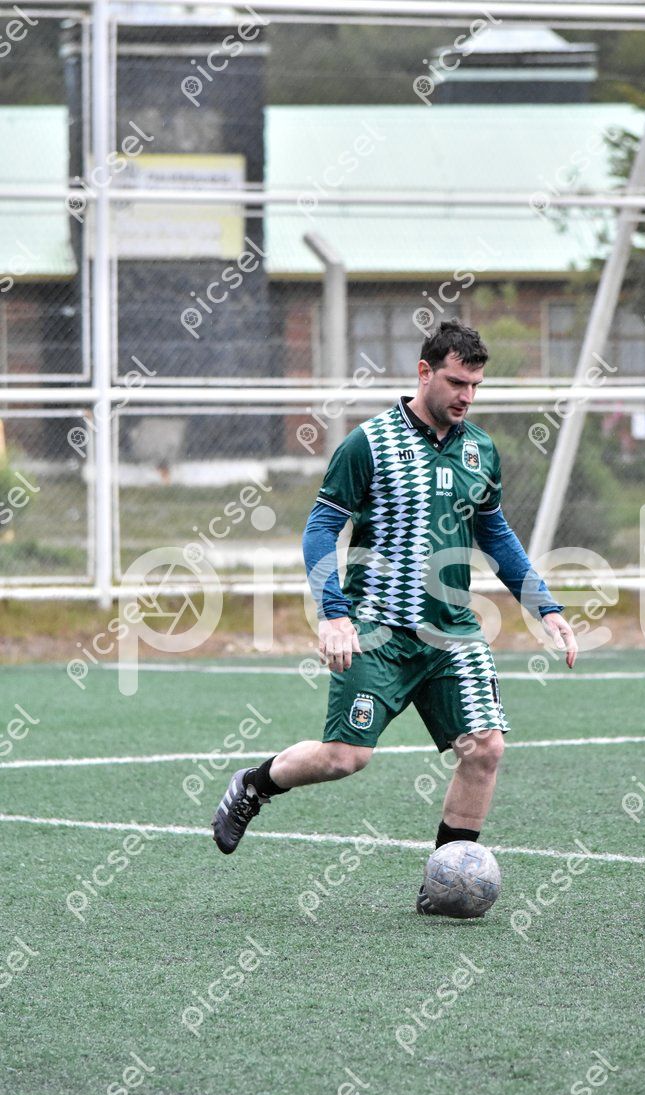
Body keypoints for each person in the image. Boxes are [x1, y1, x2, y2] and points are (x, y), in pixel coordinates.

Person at [212, 320, 577, 913]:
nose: (466, 396)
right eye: (456, 382)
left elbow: (495, 534)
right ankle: (254, 785)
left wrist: (546, 607)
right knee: (344, 758)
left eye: (476, 386)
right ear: (424, 372)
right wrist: (333, 615)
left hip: (452, 632)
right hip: (376, 629)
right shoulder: (369, 443)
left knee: (485, 748)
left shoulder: (480, 450)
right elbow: (321, 529)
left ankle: (445, 884)